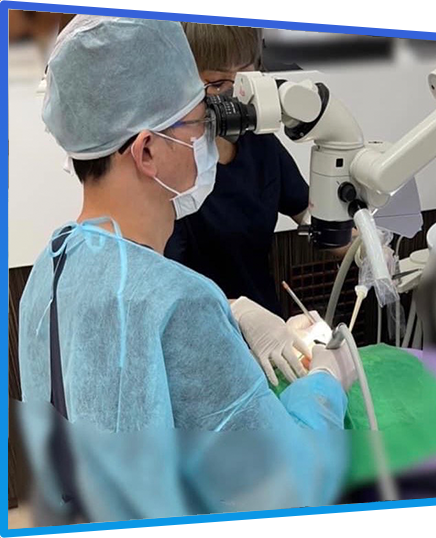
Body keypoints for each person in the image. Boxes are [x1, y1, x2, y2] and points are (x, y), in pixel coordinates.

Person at [16, 16, 356, 525]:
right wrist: (326, 382)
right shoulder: (179, 302)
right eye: (198, 123)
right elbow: (283, 483)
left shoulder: (52, 268)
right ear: (148, 150)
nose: (210, 139)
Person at [164, 24, 310, 319]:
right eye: (217, 83)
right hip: (198, 329)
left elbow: (309, 214)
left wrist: (367, 248)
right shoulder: (166, 165)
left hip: (267, 325)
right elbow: (163, 285)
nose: (233, 95)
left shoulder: (260, 144)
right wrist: (235, 314)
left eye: (245, 78)